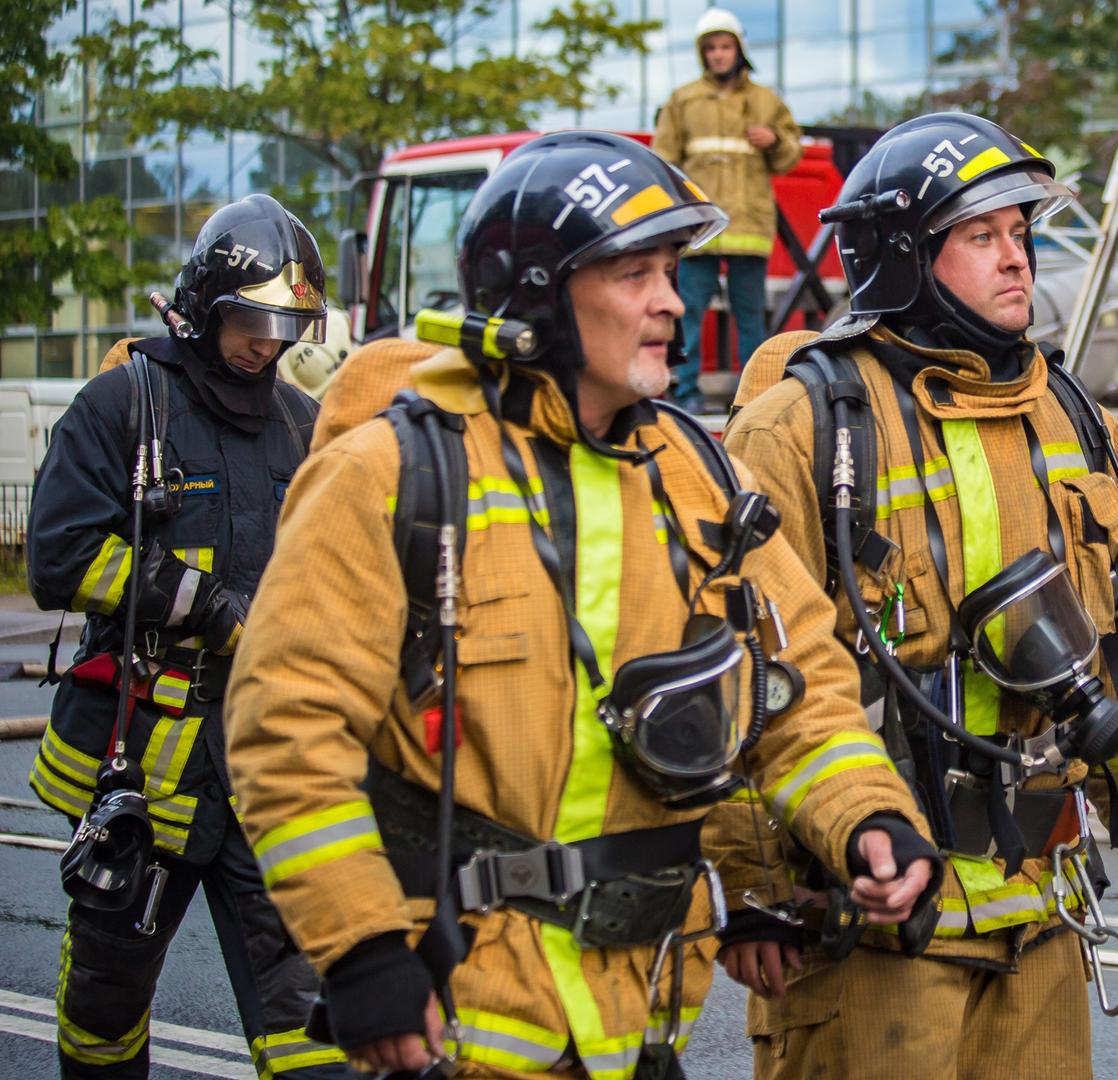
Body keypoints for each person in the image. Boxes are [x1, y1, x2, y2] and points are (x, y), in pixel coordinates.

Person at [223, 131, 939, 1078]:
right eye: (632, 272)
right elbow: (288, 729)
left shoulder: (694, 475)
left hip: (640, 1029)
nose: (670, 303)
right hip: (459, 1033)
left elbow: (797, 683)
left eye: (671, 270)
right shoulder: (389, 475)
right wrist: (360, 948)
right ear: (537, 293)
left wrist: (868, 818)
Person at [720, 111, 1118, 1078]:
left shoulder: (1075, 418)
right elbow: (750, 668)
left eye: (1021, 235)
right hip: (876, 917)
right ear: (901, 259)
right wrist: (753, 884)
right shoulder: (803, 425)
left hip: (1038, 908)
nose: (1017, 260)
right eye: (981, 237)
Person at [24, 194, 345, 1079]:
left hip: (266, 767)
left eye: (287, 325)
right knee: (105, 1000)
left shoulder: (302, 425)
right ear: (204, 305)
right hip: (142, 760)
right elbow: (59, 557)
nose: (268, 343)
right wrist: (204, 605)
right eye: (252, 319)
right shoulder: (128, 404)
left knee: (311, 1022)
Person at [653, 7, 802, 409]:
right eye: (711, 48)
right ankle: (686, 393)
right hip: (700, 228)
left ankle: (754, 393)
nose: (718, 54)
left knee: (749, 316)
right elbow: (662, 161)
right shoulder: (683, 101)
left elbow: (791, 155)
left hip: (749, 226)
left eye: (725, 46)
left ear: (739, 49)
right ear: (703, 54)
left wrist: (775, 140)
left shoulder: (765, 101)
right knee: (687, 313)